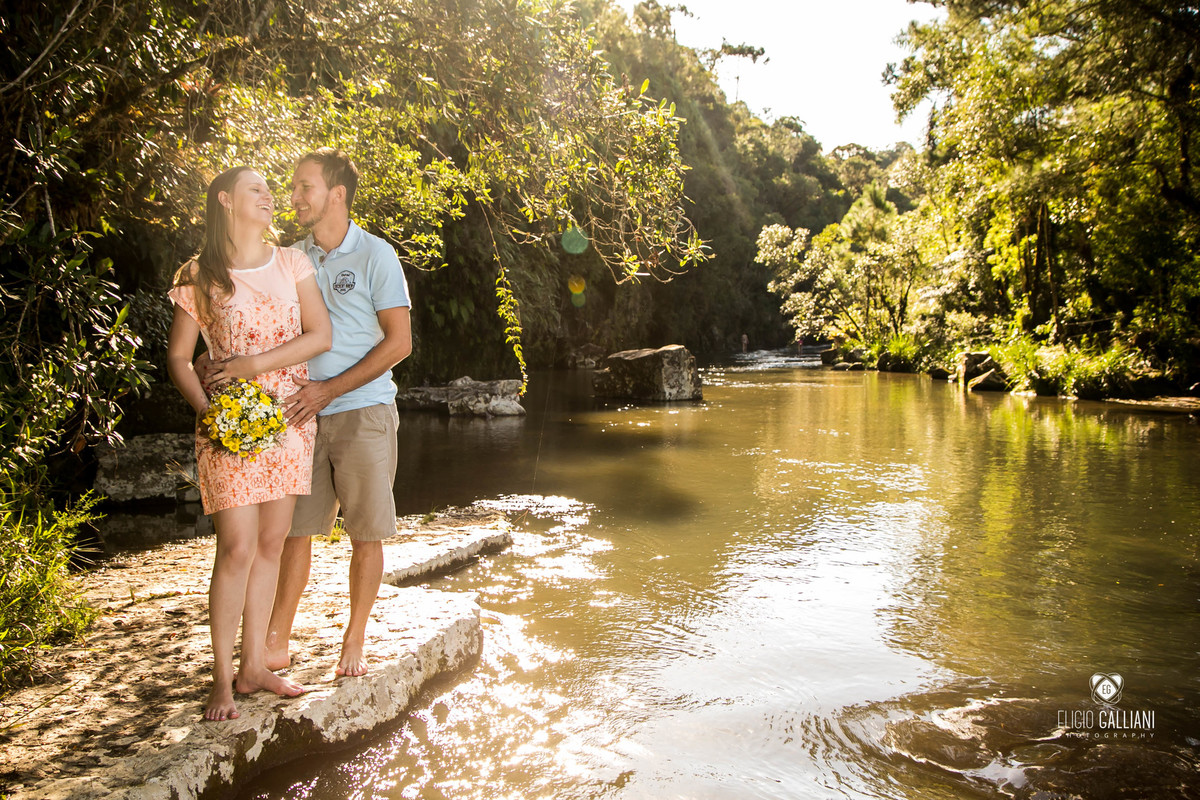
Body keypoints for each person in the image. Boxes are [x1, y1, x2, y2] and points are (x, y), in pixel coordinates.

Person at [166, 166, 333, 721]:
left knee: (271, 542)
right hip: (229, 427)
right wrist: (212, 415)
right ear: (225, 201)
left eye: (269, 190)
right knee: (236, 547)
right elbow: (179, 359)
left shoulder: (292, 262)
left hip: (287, 416)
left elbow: (320, 335)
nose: (268, 197)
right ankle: (221, 681)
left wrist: (255, 364)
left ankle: (255, 665)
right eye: (255, 189)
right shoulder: (199, 273)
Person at [265, 148, 412, 677]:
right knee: (294, 532)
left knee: (366, 532)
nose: (295, 197)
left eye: (305, 187)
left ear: (337, 194)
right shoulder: (290, 258)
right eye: (295, 186)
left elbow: (399, 343)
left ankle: (354, 639)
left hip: (364, 412)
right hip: (301, 414)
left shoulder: (377, 256)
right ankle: (276, 640)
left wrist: (331, 390)